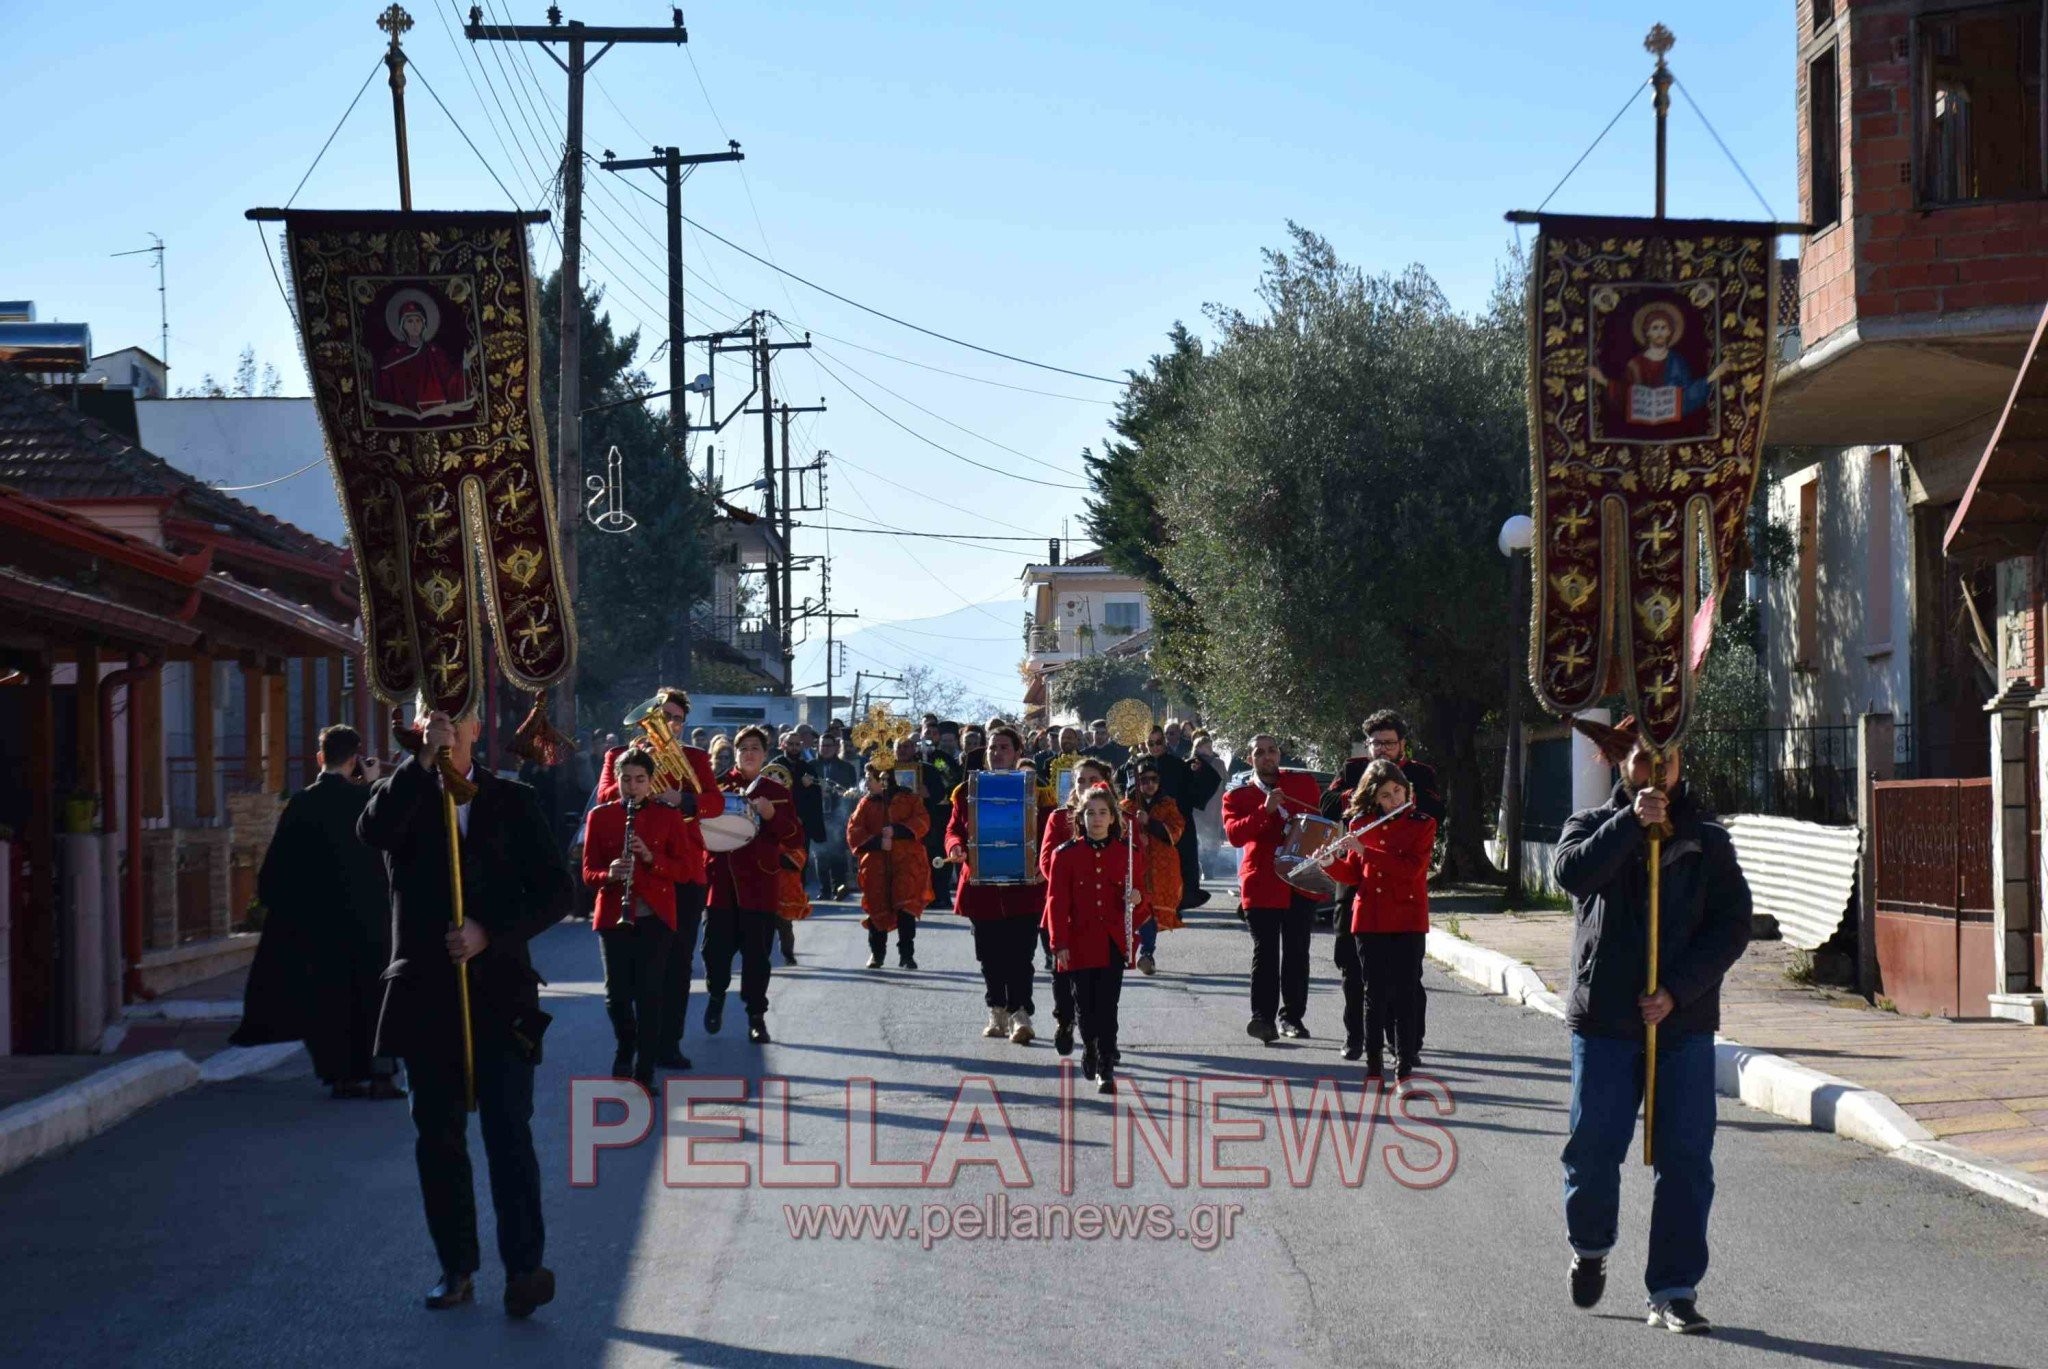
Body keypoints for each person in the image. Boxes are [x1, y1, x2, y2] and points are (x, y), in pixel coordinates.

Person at [357, 708, 572, 1318]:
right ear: (421, 725)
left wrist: (490, 933)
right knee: (439, 1138)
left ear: (480, 728)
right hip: (427, 995)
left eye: (462, 715)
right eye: (437, 715)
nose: (450, 726)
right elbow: (373, 834)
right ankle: (456, 1266)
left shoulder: (513, 799)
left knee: (509, 1133)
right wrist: (420, 763)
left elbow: (556, 892)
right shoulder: (399, 795)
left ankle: (525, 1267)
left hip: (501, 993)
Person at [1554, 717, 1751, 1336]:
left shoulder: (1708, 840)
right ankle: (1590, 1245)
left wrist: (1677, 992)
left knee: (1688, 1159)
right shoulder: (1590, 825)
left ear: (1681, 764)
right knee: (1593, 1150)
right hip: (1606, 1020)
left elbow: (1732, 927)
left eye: (1666, 762)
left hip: (1682, 1024)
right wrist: (1629, 823)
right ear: (1622, 765)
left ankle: (1673, 1289)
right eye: (1643, 761)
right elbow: (1573, 875)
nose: (1656, 772)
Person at [234, 724, 400, 1100]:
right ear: (356, 759)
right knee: (374, 1000)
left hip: (319, 927)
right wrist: (373, 784)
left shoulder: (302, 803)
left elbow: (277, 869)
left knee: (329, 1001)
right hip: (369, 921)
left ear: (320, 757)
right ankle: (381, 1076)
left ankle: (341, 1076)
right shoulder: (366, 800)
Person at [591, 687, 722, 1072]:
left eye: (677, 718)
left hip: (683, 871)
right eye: (663, 716)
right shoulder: (619, 757)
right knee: (629, 971)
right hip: (635, 873)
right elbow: (604, 795)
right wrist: (642, 781)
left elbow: (713, 802)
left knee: (678, 963)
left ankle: (668, 1044)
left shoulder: (696, 758)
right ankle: (633, 1042)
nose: (669, 724)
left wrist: (680, 800)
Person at [579, 748, 692, 1088]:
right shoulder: (600, 816)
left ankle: (645, 1068)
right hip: (614, 914)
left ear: (650, 781)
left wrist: (651, 858)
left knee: (649, 992)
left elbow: (684, 869)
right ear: (617, 780)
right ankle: (625, 1045)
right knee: (616, 995)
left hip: (655, 915)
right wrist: (609, 874)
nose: (632, 786)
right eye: (626, 779)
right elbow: (587, 872)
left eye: (640, 780)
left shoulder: (668, 816)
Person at [1323, 760, 1437, 1081]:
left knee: (1405, 993)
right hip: (1370, 917)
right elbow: (1353, 874)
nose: (1394, 800)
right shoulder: (1361, 823)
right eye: (1386, 795)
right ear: (1374, 798)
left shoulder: (1422, 823)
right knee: (1373, 994)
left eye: (1398, 791)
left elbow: (1411, 869)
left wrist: (1365, 849)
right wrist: (1330, 863)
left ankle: (1403, 1065)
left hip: (1408, 918)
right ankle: (1374, 1067)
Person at [945, 724, 1055, 1045]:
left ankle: (1021, 1012)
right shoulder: (967, 791)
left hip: (1024, 886)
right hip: (982, 887)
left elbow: (1050, 833)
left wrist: (1043, 864)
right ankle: (996, 1009)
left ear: (1018, 753)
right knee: (989, 954)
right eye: (992, 748)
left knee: (1021, 954)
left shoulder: (1037, 790)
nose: (997, 753)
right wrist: (954, 847)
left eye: (1004, 747)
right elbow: (954, 828)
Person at [703, 725, 803, 1044]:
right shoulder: (718, 786)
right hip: (721, 883)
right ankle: (716, 996)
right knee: (714, 952)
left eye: (755, 748)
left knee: (757, 957)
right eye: (743, 747)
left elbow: (795, 837)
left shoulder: (778, 791)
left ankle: (756, 1017)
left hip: (759, 885)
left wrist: (772, 814)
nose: (748, 753)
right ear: (735, 753)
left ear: (764, 753)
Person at [1221, 734, 1323, 1044]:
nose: (1267, 757)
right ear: (1250, 759)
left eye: (1272, 751)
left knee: (1296, 951)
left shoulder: (1302, 785)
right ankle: (1262, 1018)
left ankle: (1292, 1018)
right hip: (1261, 882)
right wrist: (1263, 812)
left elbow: (1320, 821)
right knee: (1265, 952)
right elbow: (1235, 835)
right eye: (1259, 753)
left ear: (1279, 755)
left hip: (1299, 881)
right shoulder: (1237, 796)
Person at [1045, 786, 1144, 1095]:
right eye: (1090, 813)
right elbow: (1056, 902)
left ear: (1113, 818)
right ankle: (1089, 1045)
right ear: (1081, 817)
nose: (1097, 819)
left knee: (1107, 1007)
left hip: (1112, 941)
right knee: (1084, 1007)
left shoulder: (1128, 853)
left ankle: (1106, 1067)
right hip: (1078, 941)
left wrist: (1138, 898)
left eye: (1103, 813)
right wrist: (1058, 943)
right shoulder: (1066, 855)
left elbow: (1142, 898)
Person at [1039, 757, 1118, 1054]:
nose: (1085, 785)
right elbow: (1047, 862)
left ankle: (1105, 1040)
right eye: (1080, 780)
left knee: (1104, 985)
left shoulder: (1110, 817)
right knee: (1063, 975)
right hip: (1064, 911)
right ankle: (1065, 1020)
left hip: (1100, 914)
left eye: (1092, 779)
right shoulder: (1060, 818)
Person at [848, 759, 931, 969]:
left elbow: (922, 821)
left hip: (906, 862)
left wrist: (898, 831)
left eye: (870, 778)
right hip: (876, 863)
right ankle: (877, 953)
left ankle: (907, 954)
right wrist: (876, 842)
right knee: (876, 907)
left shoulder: (908, 798)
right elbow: (854, 830)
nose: (866, 783)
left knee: (906, 906)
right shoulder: (865, 803)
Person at [1122, 757, 1186, 976]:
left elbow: (1176, 831)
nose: (1149, 784)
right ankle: (1132, 951)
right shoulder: (1126, 806)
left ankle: (1147, 953)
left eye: (1153, 779)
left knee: (1153, 910)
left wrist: (1151, 823)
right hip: (1134, 866)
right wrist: (1137, 837)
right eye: (1144, 780)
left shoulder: (1168, 804)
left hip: (1161, 867)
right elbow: (1117, 834)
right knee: (1138, 909)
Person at [776, 730, 825, 964]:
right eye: (790, 744)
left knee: (796, 871)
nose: (794, 747)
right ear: (782, 744)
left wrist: (809, 786)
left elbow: (815, 797)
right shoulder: (775, 767)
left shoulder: (808, 767)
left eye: (797, 744)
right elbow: (778, 794)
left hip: (800, 830)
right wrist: (798, 785)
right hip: (776, 830)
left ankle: (795, 900)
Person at [812, 733, 860, 899]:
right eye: (822, 745)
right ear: (818, 747)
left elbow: (853, 791)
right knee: (820, 853)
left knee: (838, 852)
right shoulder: (811, 766)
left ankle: (839, 887)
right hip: (818, 815)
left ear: (835, 747)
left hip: (838, 815)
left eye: (829, 746)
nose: (825, 749)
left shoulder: (847, 768)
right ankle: (824, 889)